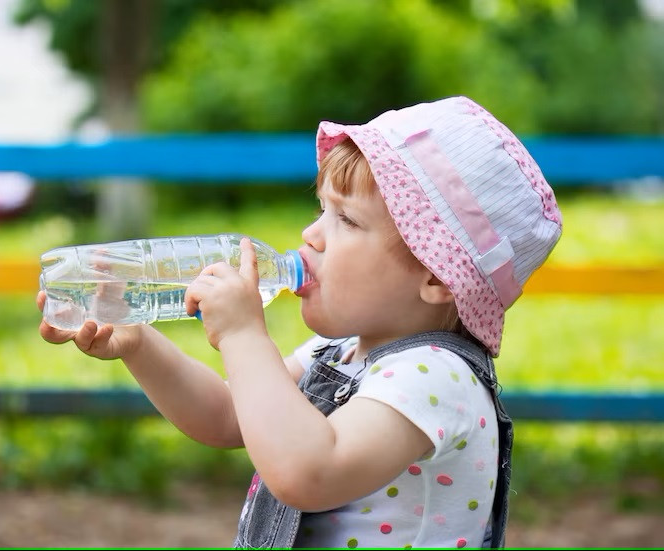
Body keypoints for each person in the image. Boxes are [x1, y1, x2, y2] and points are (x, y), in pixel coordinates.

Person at [37, 96, 562, 549]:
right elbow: (227, 416)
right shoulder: (339, 353)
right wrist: (138, 342)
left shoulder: (437, 377)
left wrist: (244, 335)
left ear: (439, 279)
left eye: (347, 220)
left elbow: (307, 471)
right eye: (322, 211)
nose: (312, 235)